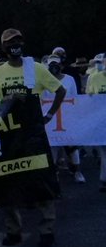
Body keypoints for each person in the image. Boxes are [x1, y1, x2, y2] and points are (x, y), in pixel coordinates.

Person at [0, 28, 66, 247]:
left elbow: (60, 91)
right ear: (4, 47)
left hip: (33, 136)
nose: (15, 45)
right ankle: (13, 231)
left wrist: (49, 115)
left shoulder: (36, 68)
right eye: (11, 42)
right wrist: (9, 98)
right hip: (9, 136)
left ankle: (47, 230)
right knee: (7, 184)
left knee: (42, 182)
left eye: (18, 41)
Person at [45, 55, 85, 183]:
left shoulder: (69, 79)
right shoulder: (46, 81)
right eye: (51, 65)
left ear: (61, 65)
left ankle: (77, 171)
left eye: (56, 64)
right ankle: (54, 173)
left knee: (72, 145)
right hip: (52, 118)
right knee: (53, 146)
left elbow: (75, 97)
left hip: (68, 116)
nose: (54, 68)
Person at [86, 53, 106, 192]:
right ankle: (104, 180)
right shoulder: (94, 77)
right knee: (104, 152)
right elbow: (89, 99)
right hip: (101, 120)